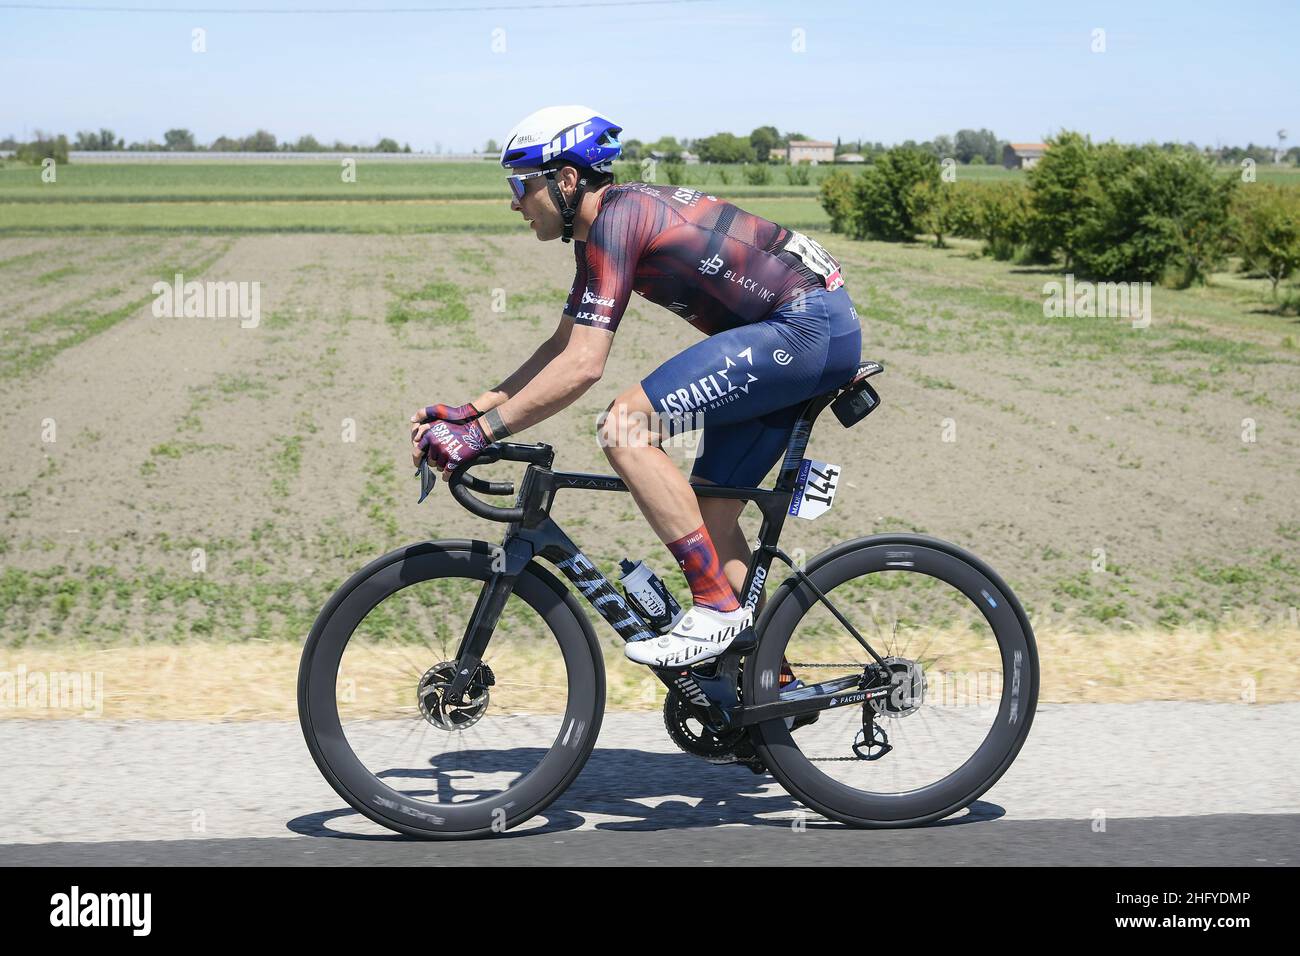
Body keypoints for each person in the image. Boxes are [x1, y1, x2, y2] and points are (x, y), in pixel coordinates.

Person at [411, 105, 861, 669]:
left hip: (804, 328)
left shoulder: (618, 221)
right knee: (712, 514)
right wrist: (472, 411)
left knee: (625, 426)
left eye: (521, 186)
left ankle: (717, 610)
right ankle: (766, 681)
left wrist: (480, 434)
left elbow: (584, 367)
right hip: (801, 331)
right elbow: (563, 345)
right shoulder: (602, 229)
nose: (514, 202)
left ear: (567, 179)